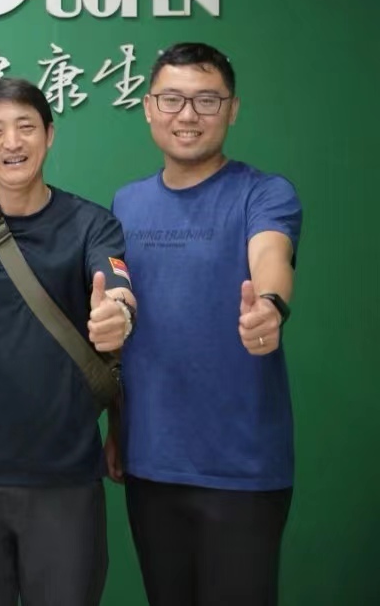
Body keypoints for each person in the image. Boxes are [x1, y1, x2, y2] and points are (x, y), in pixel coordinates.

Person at [0, 77, 136, 606]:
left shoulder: (92, 224)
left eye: (26, 127)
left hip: (66, 476)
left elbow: (118, 292)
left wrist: (118, 314)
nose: (12, 142)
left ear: (49, 134)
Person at [110, 42, 301, 606]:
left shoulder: (263, 192)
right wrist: (116, 425)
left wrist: (271, 304)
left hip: (242, 467)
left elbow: (272, 253)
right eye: (171, 99)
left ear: (232, 109)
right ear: (148, 107)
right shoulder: (126, 204)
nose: (187, 115)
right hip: (151, 462)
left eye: (206, 100)